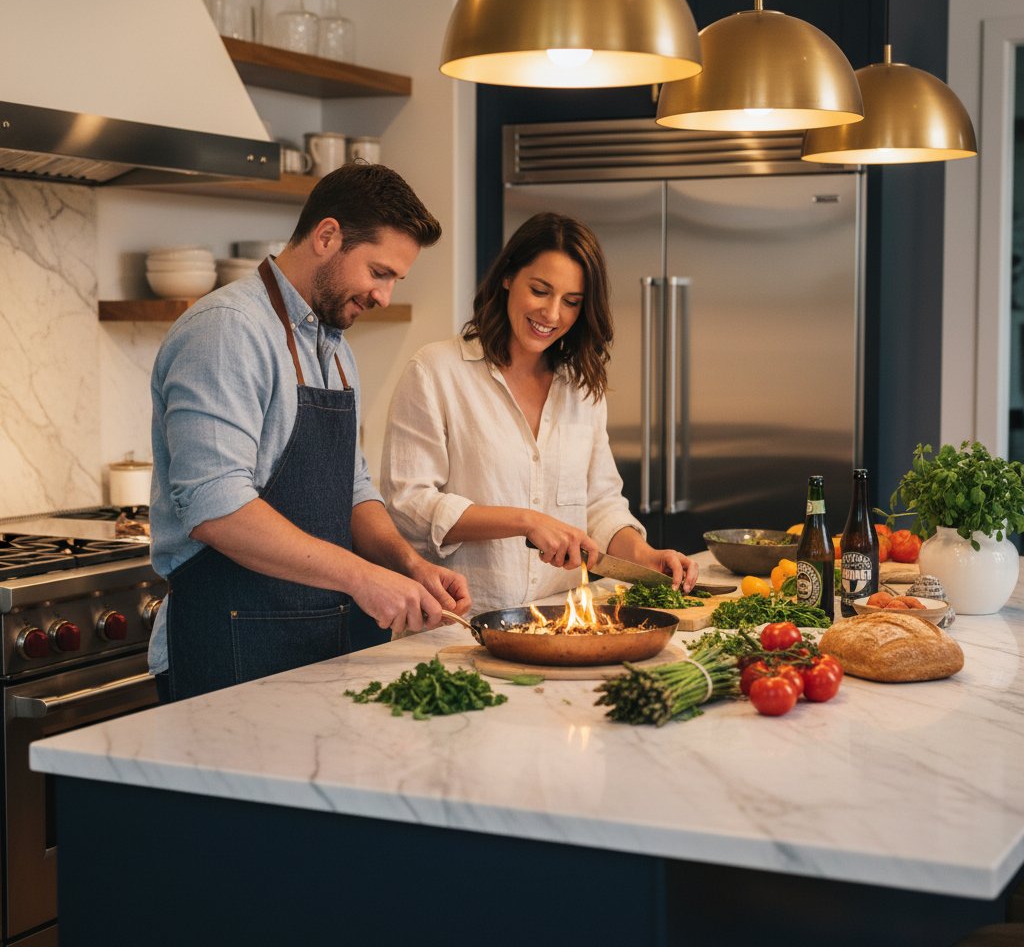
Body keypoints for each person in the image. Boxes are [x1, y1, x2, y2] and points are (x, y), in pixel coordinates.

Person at [148, 164, 471, 703]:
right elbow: (215, 506)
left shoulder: (334, 348)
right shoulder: (228, 330)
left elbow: (352, 488)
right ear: (327, 236)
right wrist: (362, 578)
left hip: (319, 643)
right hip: (232, 645)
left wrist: (406, 563)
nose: (385, 296)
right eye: (379, 272)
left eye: (395, 280)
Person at [380, 212, 698, 612]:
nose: (551, 314)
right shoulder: (436, 371)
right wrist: (525, 521)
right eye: (540, 290)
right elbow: (408, 505)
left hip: (558, 622)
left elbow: (599, 503)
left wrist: (644, 555)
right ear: (508, 277)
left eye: (571, 302)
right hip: (455, 623)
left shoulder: (582, 388)